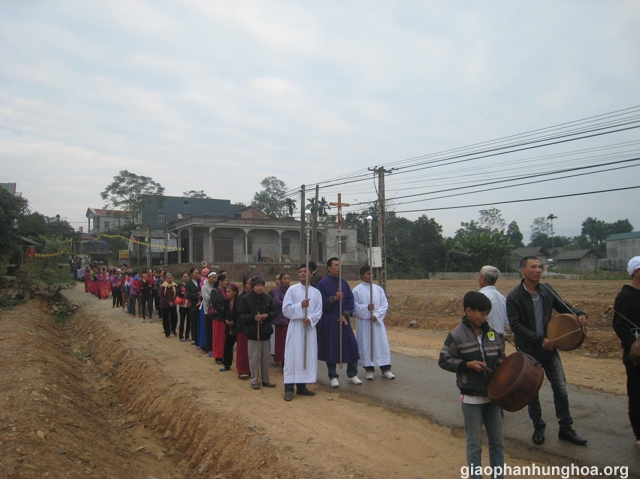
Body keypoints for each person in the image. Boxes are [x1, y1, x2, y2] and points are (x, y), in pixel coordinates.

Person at [507, 256, 588, 446]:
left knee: (560, 388)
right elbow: (516, 326)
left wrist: (580, 313)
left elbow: (563, 306)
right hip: (528, 351)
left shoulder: (547, 290)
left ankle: (566, 428)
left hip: (550, 349)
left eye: (540, 267)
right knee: (531, 391)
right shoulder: (514, 297)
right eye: (533, 267)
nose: (538, 270)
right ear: (522, 270)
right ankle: (538, 427)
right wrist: (539, 339)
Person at [439, 291, 506, 479]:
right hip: (471, 398)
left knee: (497, 442)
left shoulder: (492, 333)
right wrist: (467, 365)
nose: (485, 318)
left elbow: (501, 356)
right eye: (482, 313)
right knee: (475, 444)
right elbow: (444, 360)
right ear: (469, 311)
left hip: (493, 397)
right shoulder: (456, 335)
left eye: (487, 314)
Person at [316, 257, 361, 387]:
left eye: (339, 265)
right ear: (329, 268)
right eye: (335, 265)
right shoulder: (322, 284)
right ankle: (333, 376)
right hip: (330, 319)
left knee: (352, 345)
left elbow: (350, 300)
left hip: (343, 319)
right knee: (332, 348)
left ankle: (352, 373)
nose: (338, 267)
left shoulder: (344, 283)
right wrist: (333, 298)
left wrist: (345, 314)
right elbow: (318, 303)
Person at [282, 264, 322, 400]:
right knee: (292, 357)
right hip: (295, 328)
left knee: (305, 356)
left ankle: (301, 386)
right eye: (300, 271)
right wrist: (300, 306)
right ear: (298, 274)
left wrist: (310, 319)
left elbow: (318, 311)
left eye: (306, 271)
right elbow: (286, 309)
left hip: (308, 329)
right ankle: (288, 388)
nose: (303, 273)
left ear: (311, 274)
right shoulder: (292, 290)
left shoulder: (316, 293)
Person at [612, 256, 640, 453]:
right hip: (636, 357)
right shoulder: (625, 296)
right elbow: (619, 325)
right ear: (636, 272)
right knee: (637, 396)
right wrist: (634, 345)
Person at [353, 265, 395, 380]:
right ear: (362, 276)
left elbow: (384, 304)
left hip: (377, 323)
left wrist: (376, 315)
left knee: (381, 344)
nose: (370, 275)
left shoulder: (378, 289)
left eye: (371, 273)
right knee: (367, 345)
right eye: (367, 273)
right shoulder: (356, 290)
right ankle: (369, 369)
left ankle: (385, 368)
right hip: (365, 324)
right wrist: (367, 308)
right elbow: (355, 307)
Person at [237, 276, 277, 390]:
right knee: (254, 359)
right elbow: (240, 315)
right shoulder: (245, 299)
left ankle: (265, 380)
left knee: (265, 359)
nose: (260, 288)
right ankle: (254, 380)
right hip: (253, 334)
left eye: (261, 286)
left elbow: (275, 311)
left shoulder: (268, 298)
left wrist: (267, 315)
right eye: (257, 286)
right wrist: (253, 318)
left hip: (265, 333)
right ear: (253, 287)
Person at [478, 265, 509, 341]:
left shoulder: (480, 296)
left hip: (485, 338)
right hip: (499, 338)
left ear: (483, 279)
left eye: (479, 276)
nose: (478, 278)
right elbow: (506, 321)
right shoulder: (502, 298)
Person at [235, 277, 252, 380]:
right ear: (245, 285)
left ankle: (250, 369)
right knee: (242, 350)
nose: (251, 286)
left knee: (251, 351)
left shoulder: (254, 296)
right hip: (242, 327)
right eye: (249, 284)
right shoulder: (241, 297)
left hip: (252, 327)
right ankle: (242, 370)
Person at [272, 272, 291, 366]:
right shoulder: (277, 291)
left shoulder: (292, 289)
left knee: (290, 342)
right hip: (281, 319)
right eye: (284, 279)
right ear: (281, 280)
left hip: (291, 319)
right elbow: (276, 301)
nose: (287, 281)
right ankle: (283, 362)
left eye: (288, 279)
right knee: (281, 343)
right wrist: (288, 305)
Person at [221, 282, 240, 372]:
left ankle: (240, 366)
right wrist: (226, 320)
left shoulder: (239, 301)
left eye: (229, 292)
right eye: (226, 292)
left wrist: (234, 321)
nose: (227, 294)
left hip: (238, 328)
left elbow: (240, 314)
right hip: (229, 328)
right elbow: (224, 313)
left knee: (240, 348)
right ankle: (227, 364)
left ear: (235, 292)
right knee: (228, 346)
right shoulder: (226, 302)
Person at [211, 274, 229, 363]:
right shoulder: (215, 291)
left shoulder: (227, 291)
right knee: (219, 337)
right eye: (225, 281)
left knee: (226, 337)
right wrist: (223, 309)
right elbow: (214, 303)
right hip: (218, 317)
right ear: (220, 281)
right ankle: (218, 356)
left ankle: (226, 355)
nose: (226, 282)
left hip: (226, 317)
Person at [201, 272, 217, 355]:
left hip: (217, 311)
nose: (214, 279)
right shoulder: (204, 287)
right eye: (212, 277)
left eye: (215, 278)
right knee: (209, 329)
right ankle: (209, 347)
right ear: (208, 278)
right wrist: (215, 298)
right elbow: (206, 298)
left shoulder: (216, 287)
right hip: (208, 310)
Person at [185, 268, 201, 347]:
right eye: (195, 273)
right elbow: (188, 295)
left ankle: (200, 338)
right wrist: (197, 295)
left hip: (201, 305)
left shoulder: (200, 281)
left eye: (198, 273)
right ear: (191, 274)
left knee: (200, 322)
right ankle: (195, 338)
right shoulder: (188, 283)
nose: (197, 274)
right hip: (194, 306)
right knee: (194, 322)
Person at [159, 273, 178, 338]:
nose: (169, 279)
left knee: (174, 318)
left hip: (173, 304)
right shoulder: (163, 286)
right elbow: (161, 296)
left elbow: (176, 295)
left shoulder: (174, 285)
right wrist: (168, 302)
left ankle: (173, 330)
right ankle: (167, 333)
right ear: (165, 279)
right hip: (165, 305)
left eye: (170, 278)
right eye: (168, 278)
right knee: (166, 319)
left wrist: (173, 301)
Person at [177, 272, 191, 342]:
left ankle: (187, 336)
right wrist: (186, 294)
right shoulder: (179, 285)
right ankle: (181, 336)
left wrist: (185, 294)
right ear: (182, 277)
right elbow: (179, 294)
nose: (185, 278)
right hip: (182, 305)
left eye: (187, 276)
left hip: (189, 305)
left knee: (189, 321)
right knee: (182, 320)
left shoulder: (190, 284)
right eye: (184, 277)